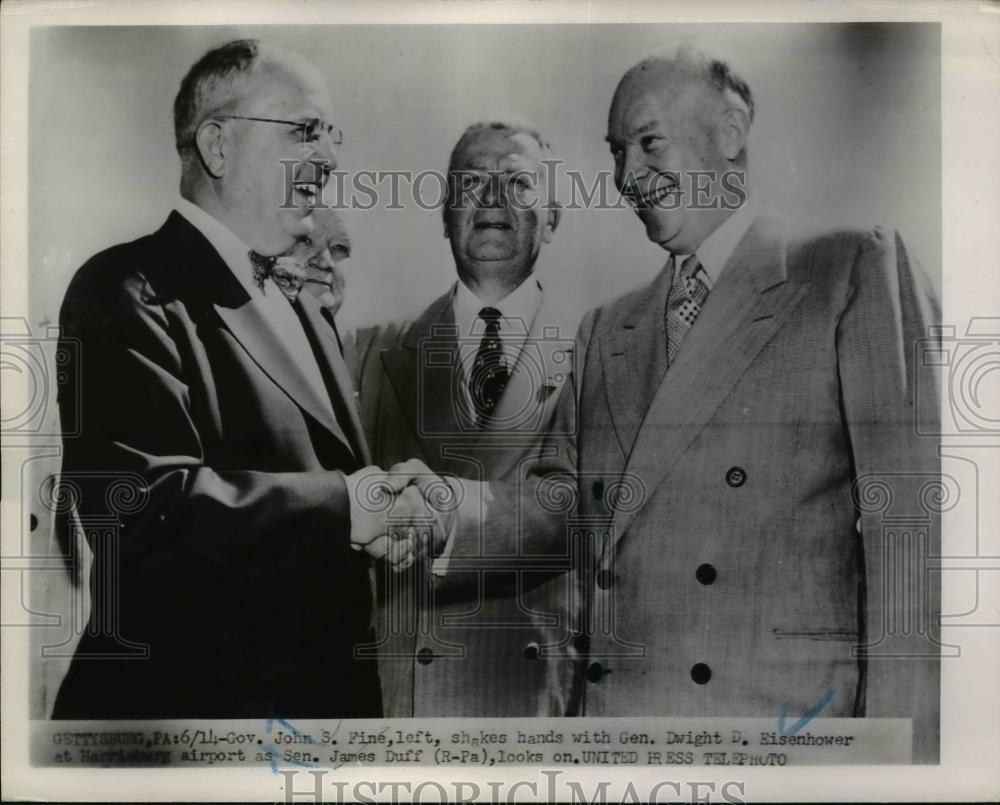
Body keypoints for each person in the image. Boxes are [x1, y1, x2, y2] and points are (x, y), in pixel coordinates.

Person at [443, 48, 942, 761]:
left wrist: (904, 763)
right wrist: (423, 513)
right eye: (618, 153)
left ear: (731, 129)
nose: (626, 176)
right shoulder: (607, 329)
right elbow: (554, 512)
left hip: (784, 747)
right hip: (620, 745)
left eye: (648, 143)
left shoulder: (849, 269)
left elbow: (914, 544)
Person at [52, 38, 429, 719]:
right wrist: (351, 505)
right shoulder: (125, 288)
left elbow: (318, 489)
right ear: (218, 146)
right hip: (183, 731)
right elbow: (141, 510)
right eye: (304, 130)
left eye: (331, 136)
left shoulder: (305, 309)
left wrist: (381, 513)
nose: (330, 158)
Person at [347, 120, 583, 716]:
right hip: (397, 704)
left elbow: (590, 518)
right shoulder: (369, 350)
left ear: (554, 219)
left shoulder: (600, 354)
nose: (492, 199)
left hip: (533, 707)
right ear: (445, 215)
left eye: (519, 184)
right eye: (471, 182)